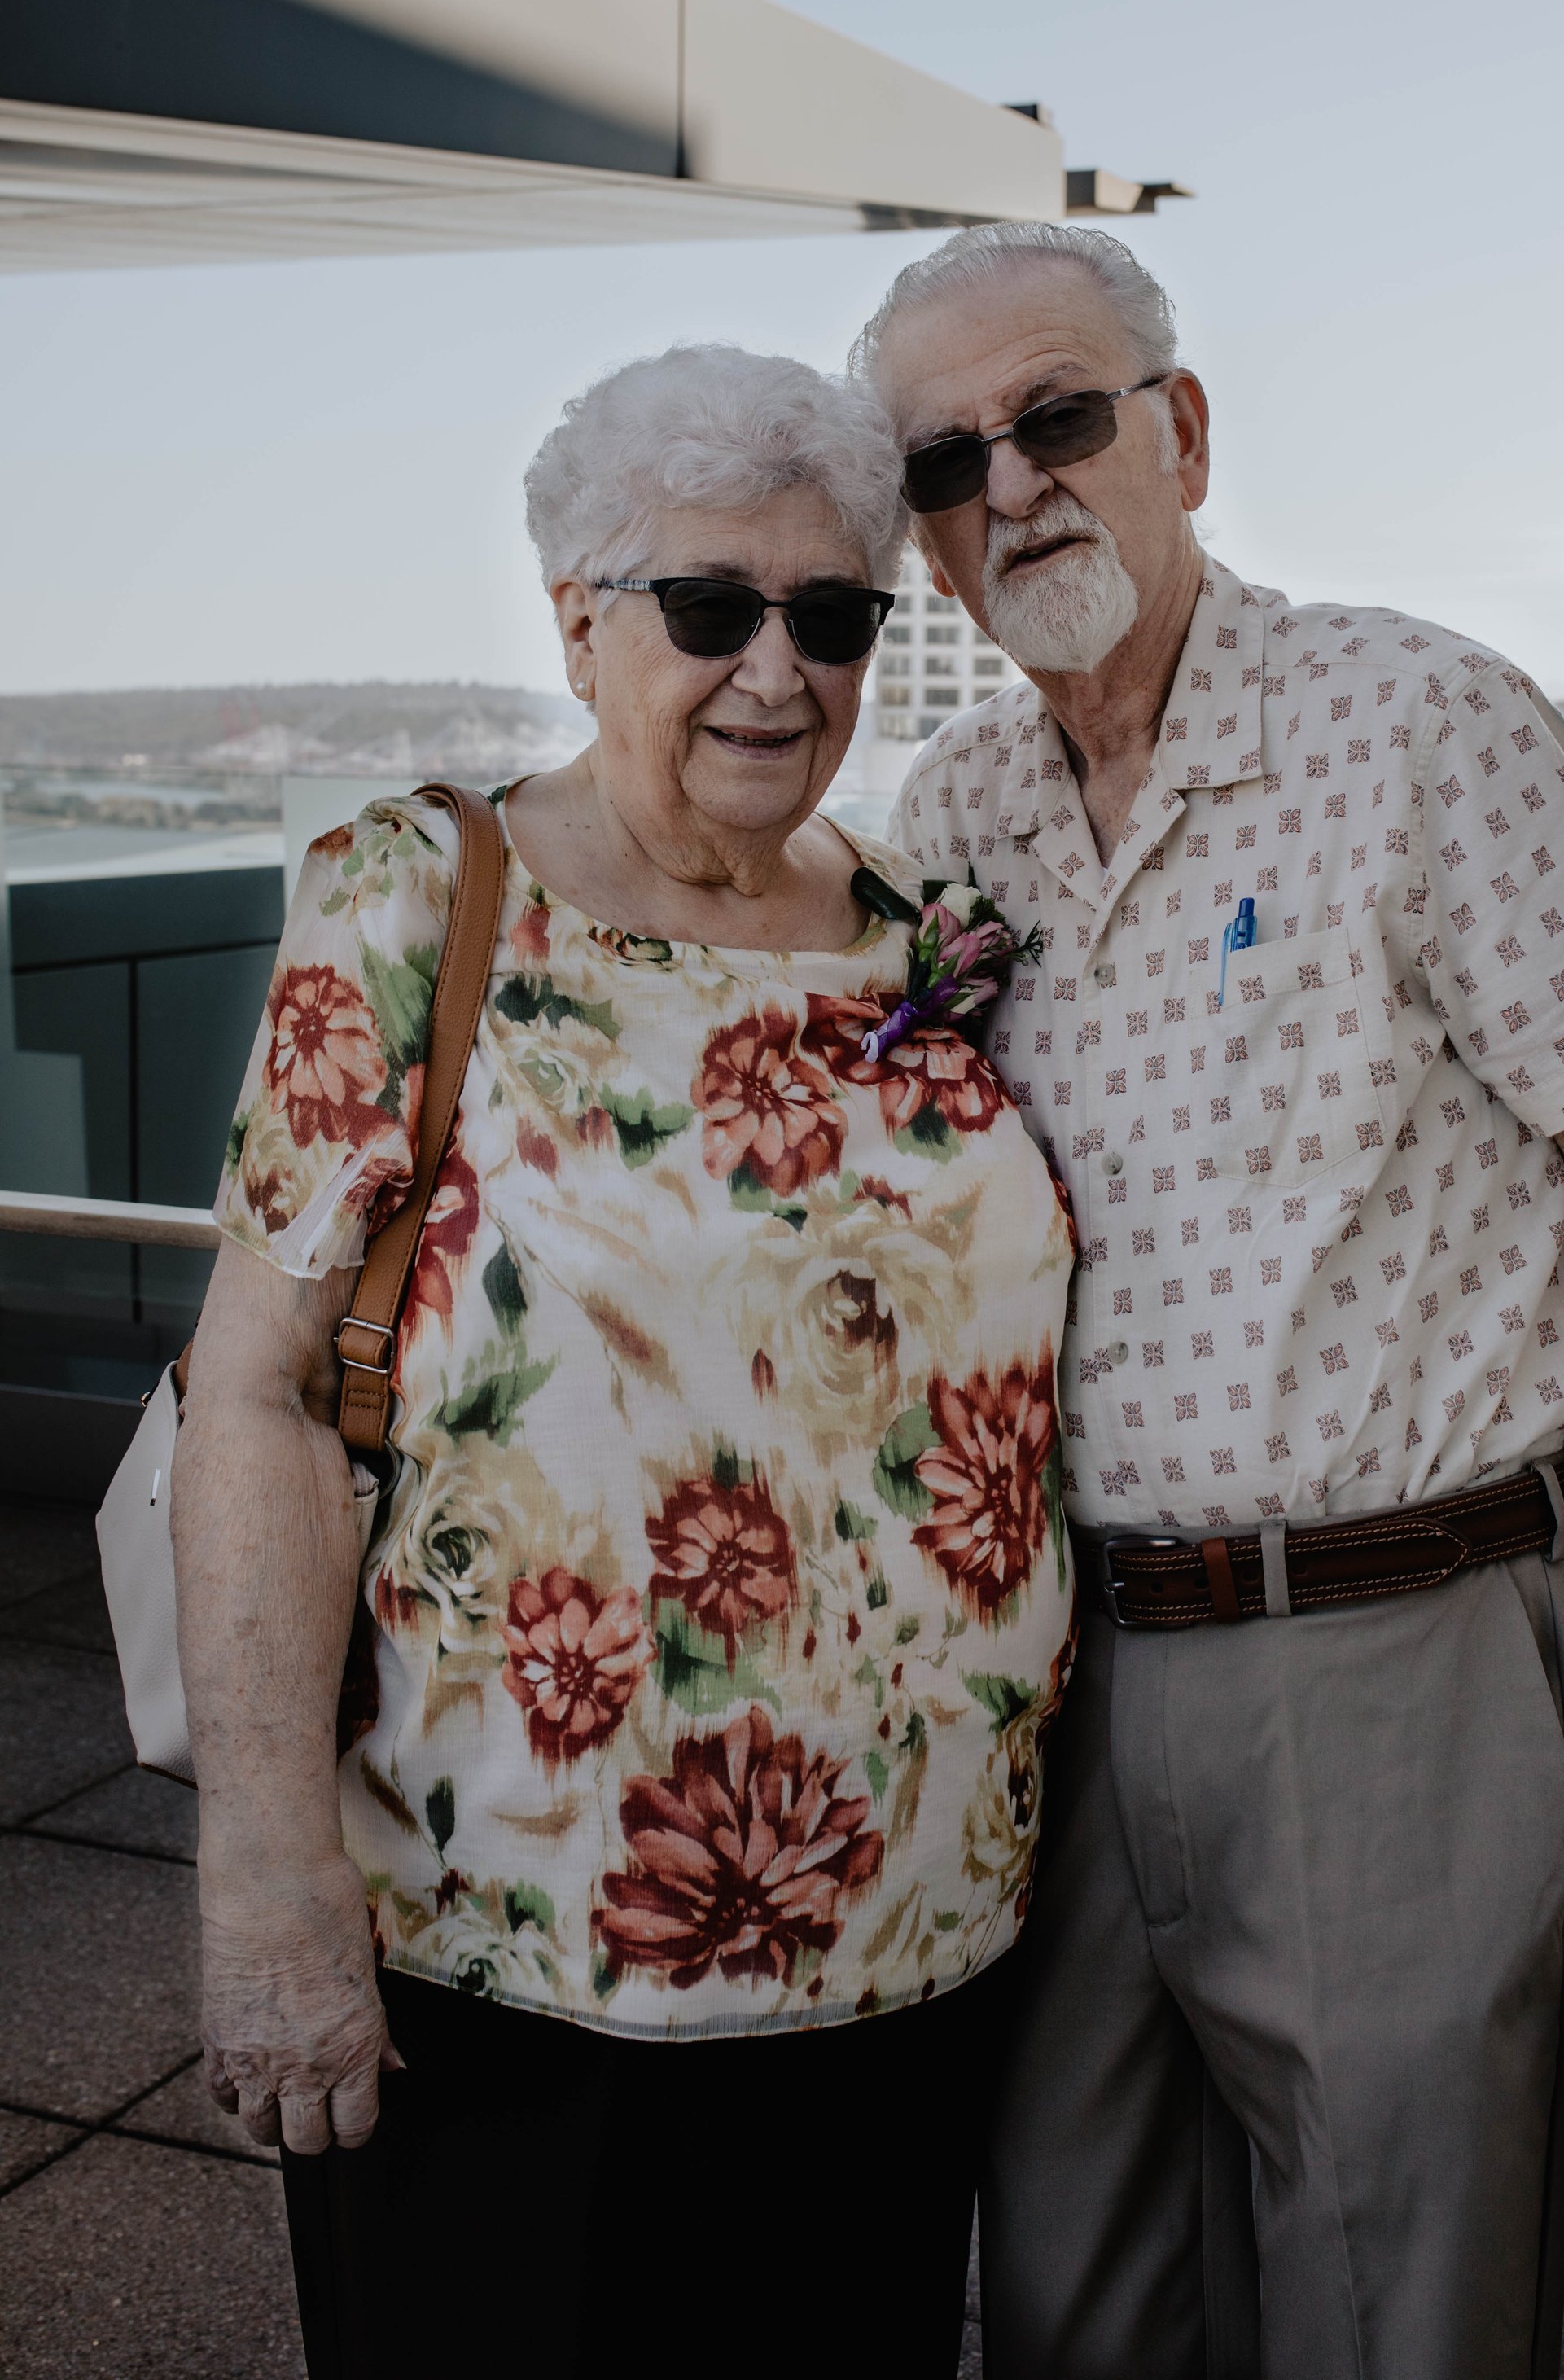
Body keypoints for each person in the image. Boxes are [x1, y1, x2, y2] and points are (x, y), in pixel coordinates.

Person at [853, 224, 1564, 2380]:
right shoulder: (951, 814)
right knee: (1079, 2302)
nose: (1014, 486)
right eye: (944, 459)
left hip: (1399, 1659)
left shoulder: (1417, 721)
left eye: (1058, 416)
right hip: (1063, 1685)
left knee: (1394, 2314)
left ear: (1177, 434)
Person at [174, 344, 1075, 2380]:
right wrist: (265, 1878)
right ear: (579, 623)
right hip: (513, 1947)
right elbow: (256, 1394)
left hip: (915, 1934)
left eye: (833, 617)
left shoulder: (925, 940)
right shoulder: (417, 899)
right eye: (709, 608)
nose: (778, 670)